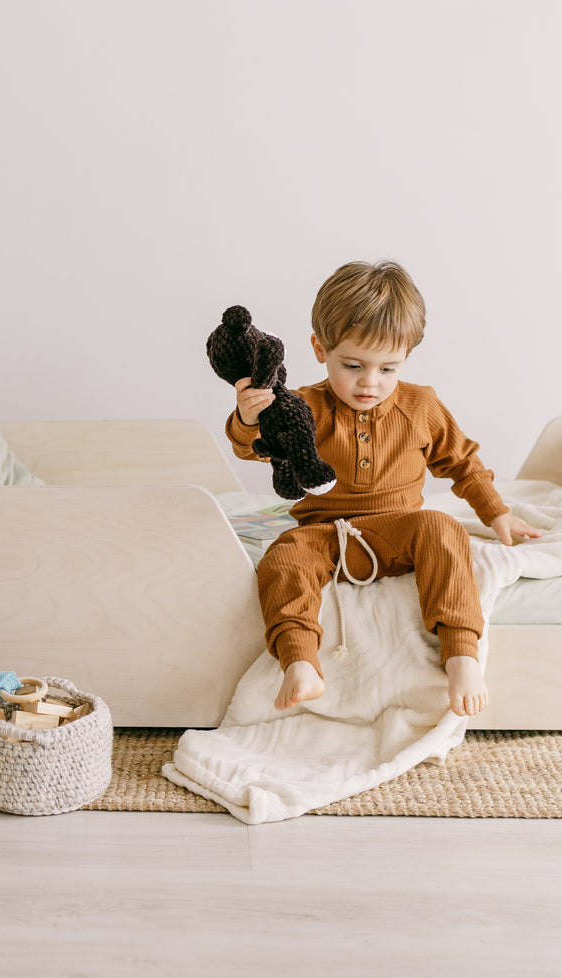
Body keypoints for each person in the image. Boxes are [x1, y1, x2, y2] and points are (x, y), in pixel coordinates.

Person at [227, 260, 541, 717]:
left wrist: (497, 514)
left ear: (406, 358)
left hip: (399, 533)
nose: (369, 382)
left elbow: (462, 462)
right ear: (320, 349)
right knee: (283, 558)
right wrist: (249, 419)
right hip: (325, 535)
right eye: (352, 365)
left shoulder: (421, 405)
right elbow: (251, 449)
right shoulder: (301, 407)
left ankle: (461, 656)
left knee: (442, 528)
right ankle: (300, 663)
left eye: (388, 368)